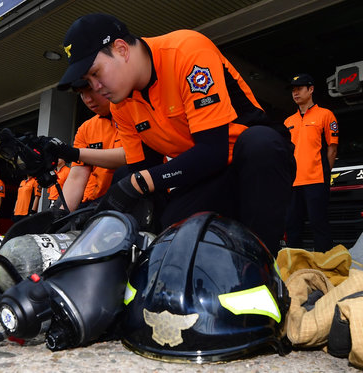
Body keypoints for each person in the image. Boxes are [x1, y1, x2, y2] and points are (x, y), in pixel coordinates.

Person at [56, 13, 295, 255]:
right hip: (205, 172)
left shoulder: (186, 51)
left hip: (249, 161)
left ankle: (265, 259)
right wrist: (98, 216)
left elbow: (213, 150)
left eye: (95, 73)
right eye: (87, 80)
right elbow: (144, 169)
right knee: (169, 232)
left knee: (261, 143)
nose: (94, 88)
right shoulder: (121, 107)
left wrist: (137, 183)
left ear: (121, 49)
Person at [284, 73, 339, 252]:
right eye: (293, 90)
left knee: (319, 225)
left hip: (316, 180)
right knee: (292, 228)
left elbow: (332, 149)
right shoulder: (288, 122)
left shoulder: (325, 115)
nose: (296, 93)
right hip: (293, 183)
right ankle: (295, 270)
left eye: (299, 89)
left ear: (311, 89)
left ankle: (325, 268)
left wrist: (324, 175)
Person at [52, 82, 125, 212]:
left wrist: (76, 153)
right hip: (95, 203)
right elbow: (77, 177)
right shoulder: (85, 129)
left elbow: (129, 156)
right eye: (81, 93)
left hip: (136, 197)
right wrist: (62, 215)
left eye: (91, 90)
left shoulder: (134, 113)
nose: (87, 99)